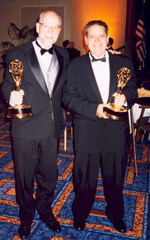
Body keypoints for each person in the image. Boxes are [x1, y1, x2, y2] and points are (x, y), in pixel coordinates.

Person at [62, 20, 137, 233]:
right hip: (87, 130)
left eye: (101, 36)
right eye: (92, 37)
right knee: (84, 179)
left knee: (115, 179)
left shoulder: (124, 62)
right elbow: (68, 97)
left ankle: (116, 215)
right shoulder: (75, 65)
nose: (96, 41)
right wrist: (93, 108)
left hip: (116, 132)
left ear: (107, 38)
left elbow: (132, 89)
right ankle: (80, 214)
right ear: (85, 41)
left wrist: (126, 99)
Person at [1, 10, 69, 239]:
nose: (50, 31)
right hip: (26, 127)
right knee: (24, 177)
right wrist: (11, 94)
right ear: (37, 27)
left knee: (49, 175)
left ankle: (45, 211)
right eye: (46, 26)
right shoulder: (17, 53)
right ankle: (26, 216)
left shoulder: (63, 54)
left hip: (51, 128)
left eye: (55, 27)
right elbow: (8, 83)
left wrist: (112, 56)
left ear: (59, 30)